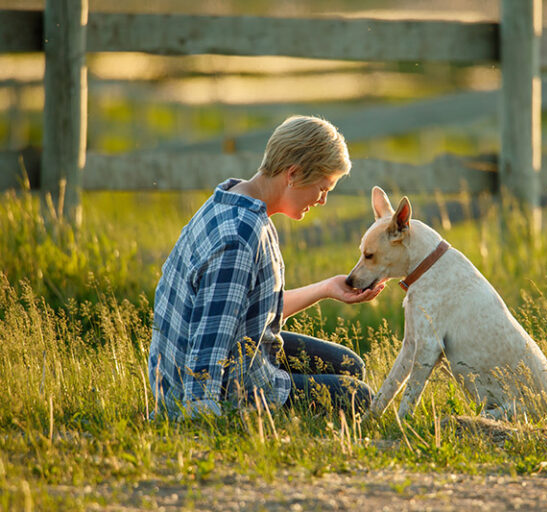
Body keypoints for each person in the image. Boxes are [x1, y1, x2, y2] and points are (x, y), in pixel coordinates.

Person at [148, 115, 384, 419]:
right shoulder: (241, 236)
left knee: (351, 366)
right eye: (323, 188)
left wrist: (325, 289)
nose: (323, 200)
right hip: (225, 388)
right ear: (294, 174)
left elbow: (249, 308)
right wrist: (199, 415)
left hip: (234, 356)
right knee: (357, 396)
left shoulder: (232, 198)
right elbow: (210, 339)